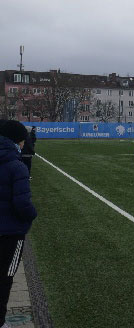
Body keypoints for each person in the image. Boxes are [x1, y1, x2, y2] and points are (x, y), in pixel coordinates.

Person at [0, 120, 37, 328]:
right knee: (5, 278)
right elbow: (22, 204)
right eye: (22, 141)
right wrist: (32, 215)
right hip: (11, 234)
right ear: (16, 141)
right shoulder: (17, 166)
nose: (23, 144)